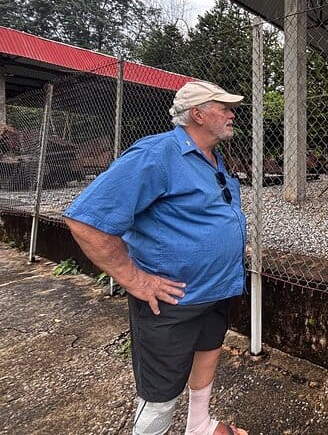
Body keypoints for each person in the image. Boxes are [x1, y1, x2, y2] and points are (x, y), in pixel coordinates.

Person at [64, 80, 249, 435]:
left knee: (208, 349)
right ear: (197, 114)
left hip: (216, 288)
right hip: (174, 298)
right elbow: (85, 221)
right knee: (160, 387)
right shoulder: (156, 154)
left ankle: (199, 425)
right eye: (224, 107)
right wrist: (135, 279)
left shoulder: (213, 158)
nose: (232, 114)